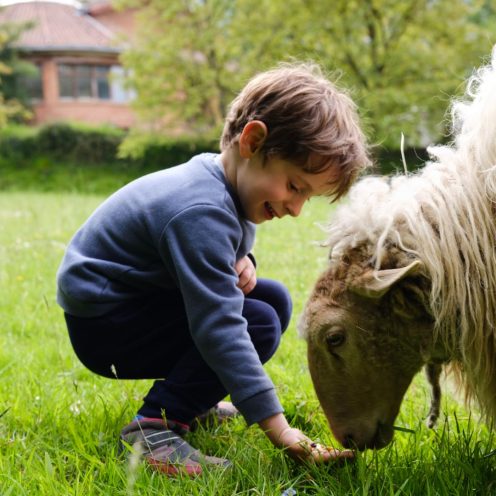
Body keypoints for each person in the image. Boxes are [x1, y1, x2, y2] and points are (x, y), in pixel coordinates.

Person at [56, 62, 371, 476]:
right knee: (254, 321)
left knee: (270, 299)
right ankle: (154, 429)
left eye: (306, 198)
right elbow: (218, 325)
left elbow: (208, 257)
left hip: (134, 304)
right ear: (253, 142)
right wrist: (280, 429)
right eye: (295, 187)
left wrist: (244, 263)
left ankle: (192, 402)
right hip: (105, 324)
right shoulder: (200, 209)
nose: (295, 209)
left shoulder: (224, 185)